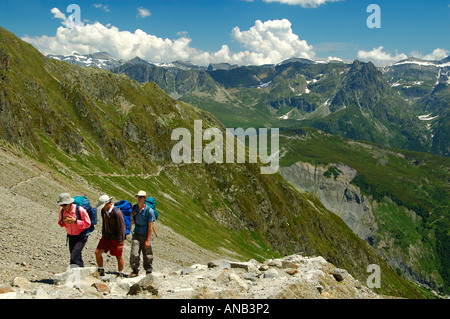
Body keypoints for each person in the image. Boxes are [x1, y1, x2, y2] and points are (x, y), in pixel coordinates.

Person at [94, 195, 126, 277]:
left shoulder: (117, 213)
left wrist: (120, 242)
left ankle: (120, 273)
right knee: (97, 252)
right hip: (106, 236)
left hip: (116, 238)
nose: (102, 207)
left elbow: (122, 228)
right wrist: (103, 233)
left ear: (108, 203)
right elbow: (104, 223)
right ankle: (100, 269)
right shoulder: (103, 211)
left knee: (118, 256)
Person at [57, 193, 91, 268]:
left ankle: (74, 274)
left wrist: (75, 221)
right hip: (71, 236)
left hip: (81, 236)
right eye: (61, 205)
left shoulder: (80, 210)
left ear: (70, 203)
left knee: (74, 256)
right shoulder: (62, 211)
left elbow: (88, 224)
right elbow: (60, 223)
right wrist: (63, 221)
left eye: (65, 205)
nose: (63, 207)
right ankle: (80, 273)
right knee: (76, 255)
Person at [130, 190, 156, 277]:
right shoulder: (134, 208)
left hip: (146, 233)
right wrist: (133, 216)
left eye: (141, 197)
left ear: (145, 198)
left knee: (147, 253)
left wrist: (148, 240)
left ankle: (148, 271)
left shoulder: (149, 211)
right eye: (138, 197)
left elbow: (150, 226)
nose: (139, 199)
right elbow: (133, 222)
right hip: (137, 232)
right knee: (134, 252)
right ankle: (135, 270)